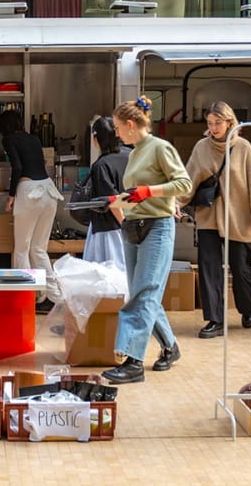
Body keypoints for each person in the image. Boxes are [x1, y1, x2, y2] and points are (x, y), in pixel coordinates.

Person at [102, 96, 192, 384]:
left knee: (144, 294)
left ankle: (132, 361)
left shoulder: (160, 147)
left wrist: (149, 192)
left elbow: (184, 183)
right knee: (144, 292)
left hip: (157, 228)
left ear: (130, 125)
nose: (115, 133)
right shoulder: (134, 152)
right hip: (134, 226)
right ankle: (170, 346)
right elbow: (138, 194)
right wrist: (118, 201)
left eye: (117, 127)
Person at [178, 101, 251, 339]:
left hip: (238, 218)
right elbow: (189, 180)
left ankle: (247, 308)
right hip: (208, 218)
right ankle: (215, 319)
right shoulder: (201, 147)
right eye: (209, 123)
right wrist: (176, 202)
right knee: (209, 269)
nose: (213, 127)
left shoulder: (244, 147)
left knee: (242, 268)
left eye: (218, 123)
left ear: (229, 122)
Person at [0, 109, 64, 311]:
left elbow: (17, 167)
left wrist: (11, 196)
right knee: (39, 248)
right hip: (48, 191)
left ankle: (24, 297)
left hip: (29, 192)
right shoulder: (33, 139)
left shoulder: (9, 140)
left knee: (22, 248)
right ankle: (52, 296)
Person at [82, 116, 130, 269]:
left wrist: (123, 224)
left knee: (105, 277)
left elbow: (112, 200)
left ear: (96, 139)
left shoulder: (100, 165)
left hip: (108, 229)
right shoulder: (130, 155)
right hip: (134, 223)